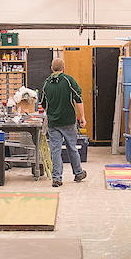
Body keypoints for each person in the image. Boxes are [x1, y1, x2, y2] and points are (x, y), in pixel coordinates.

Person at [39, 58, 87, 187]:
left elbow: (43, 103)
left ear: (52, 68)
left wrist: (48, 115)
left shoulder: (46, 84)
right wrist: (82, 116)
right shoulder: (68, 80)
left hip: (53, 123)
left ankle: (57, 178)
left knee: (55, 150)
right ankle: (78, 173)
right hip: (68, 121)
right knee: (72, 147)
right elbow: (78, 97)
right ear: (63, 68)